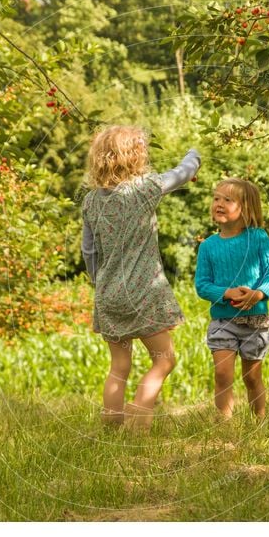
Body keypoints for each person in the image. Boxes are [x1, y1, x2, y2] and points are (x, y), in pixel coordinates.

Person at [81, 125, 201, 432]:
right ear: (136, 157)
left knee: (119, 367)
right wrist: (194, 154)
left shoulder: (91, 201)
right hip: (144, 293)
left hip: (108, 293)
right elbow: (184, 172)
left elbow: (89, 251)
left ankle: (110, 428)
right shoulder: (145, 190)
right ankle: (139, 413)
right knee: (164, 361)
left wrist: (100, 282)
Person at [194, 178, 269, 421]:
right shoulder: (208, 246)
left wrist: (258, 293)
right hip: (223, 321)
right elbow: (202, 285)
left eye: (227, 200)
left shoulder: (258, 238)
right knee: (222, 375)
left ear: (245, 207)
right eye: (216, 199)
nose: (219, 204)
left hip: (255, 320)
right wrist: (226, 293)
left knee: (252, 377)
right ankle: (224, 424)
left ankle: (259, 419)